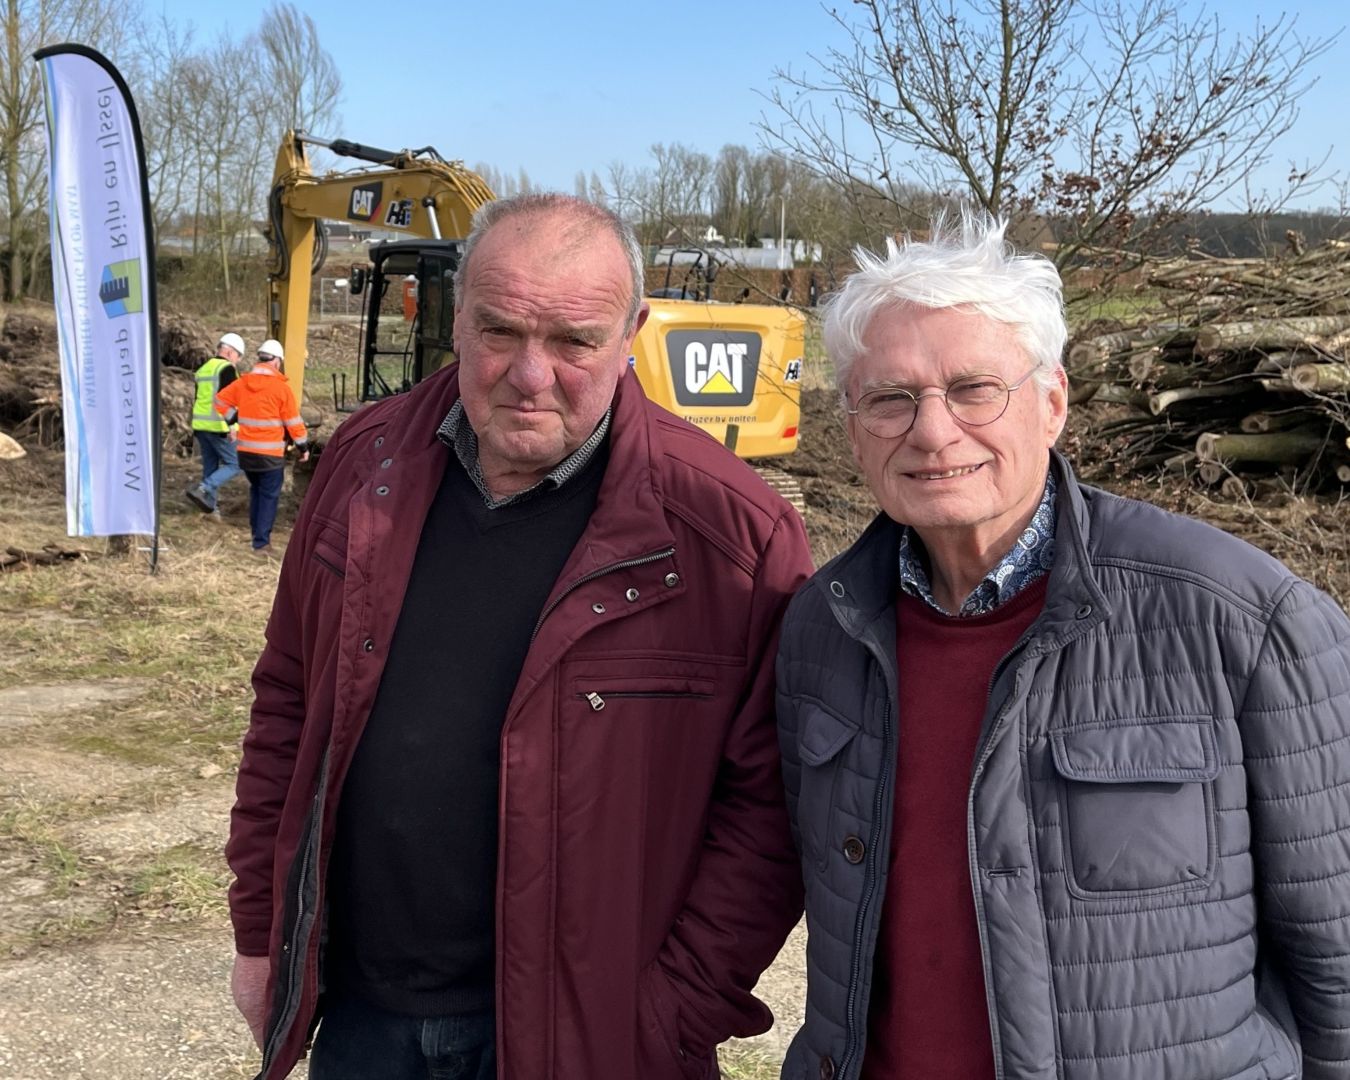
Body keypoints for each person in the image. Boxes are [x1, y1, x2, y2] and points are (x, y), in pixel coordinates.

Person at [226, 193, 813, 1080]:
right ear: (456, 319)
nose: (531, 376)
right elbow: (287, 701)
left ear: (631, 336)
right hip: (361, 1016)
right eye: (500, 331)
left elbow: (769, 813)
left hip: (590, 1040)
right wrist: (263, 931)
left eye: (574, 341)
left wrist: (673, 1010)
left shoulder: (734, 537)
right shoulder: (361, 464)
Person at [775, 212, 1350, 1080]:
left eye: (974, 389)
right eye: (891, 399)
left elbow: (1337, 964)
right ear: (852, 426)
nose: (932, 432)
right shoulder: (822, 630)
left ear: (1052, 403)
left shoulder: (1244, 622)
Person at [212, 339, 308, 555]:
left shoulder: (243, 383)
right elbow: (293, 422)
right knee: (268, 496)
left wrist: (234, 416)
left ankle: (257, 534)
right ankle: (261, 543)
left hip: (246, 452)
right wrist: (303, 447)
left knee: (256, 491)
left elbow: (219, 401)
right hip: (270, 455)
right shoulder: (281, 389)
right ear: (277, 362)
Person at [185, 332, 246, 516]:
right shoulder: (227, 369)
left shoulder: (203, 369)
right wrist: (234, 427)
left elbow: (199, 398)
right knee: (236, 463)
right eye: (238, 356)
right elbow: (230, 401)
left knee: (210, 466)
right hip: (219, 426)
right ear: (230, 352)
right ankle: (204, 488)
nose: (237, 361)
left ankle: (209, 510)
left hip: (200, 426)